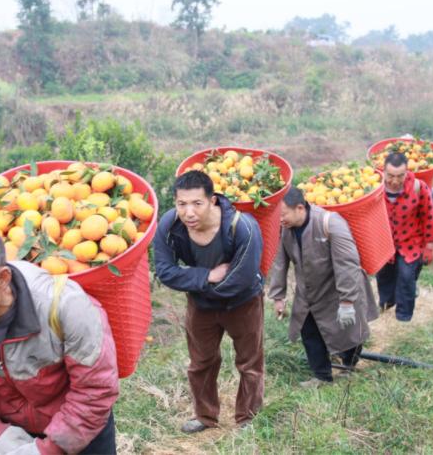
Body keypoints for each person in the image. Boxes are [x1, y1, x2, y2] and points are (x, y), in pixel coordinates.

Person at [0, 220, 119, 455]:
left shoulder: (67, 308)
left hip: (78, 429)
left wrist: (49, 449)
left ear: (3, 279)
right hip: (7, 431)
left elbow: (94, 391)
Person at [153, 170, 265, 433]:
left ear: (213, 200)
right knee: (201, 363)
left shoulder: (242, 227)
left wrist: (193, 283)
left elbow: (241, 277)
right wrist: (206, 277)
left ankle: (247, 417)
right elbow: (164, 271)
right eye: (182, 204)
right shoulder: (170, 226)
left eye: (196, 203)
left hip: (243, 303)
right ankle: (205, 416)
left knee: (249, 362)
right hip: (201, 307)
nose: (188, 212)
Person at [268, 187, 378, 387]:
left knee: (349, 331)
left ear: (300, 208)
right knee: (308, 330)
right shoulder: (285, 228)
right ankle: (322, 376)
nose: (280, 219)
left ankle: (349, 364)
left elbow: (347, 263)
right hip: (309, 290)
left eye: (283, 214)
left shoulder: (330, 223)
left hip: (339, 288)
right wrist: (278, 296)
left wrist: (346, 301)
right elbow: (279, 261)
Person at [377, 152, 433, 322]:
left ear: (407, 172)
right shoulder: (375, 188)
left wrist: (429, 245)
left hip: (411, 242)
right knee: (384, 276)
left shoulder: (419, 187)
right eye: (390, 176)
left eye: (400, 176)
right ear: (383, 171)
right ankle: (386, 307)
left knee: (406, 277)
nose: (395, 181)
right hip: (385, 242)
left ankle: (404, 317)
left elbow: (429, 217)